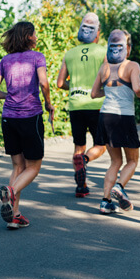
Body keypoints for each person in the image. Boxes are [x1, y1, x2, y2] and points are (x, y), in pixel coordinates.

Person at [0, 21, 54, 230]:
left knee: (18, 166)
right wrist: (49, 104)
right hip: (30, 116)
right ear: (28, 37)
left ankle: (14, 215)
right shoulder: (37, 57)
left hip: (8, 118)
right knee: (33, 167)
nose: (37, 37)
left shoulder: (5, 60)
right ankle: (11, 191)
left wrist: (11, 95)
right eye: (35, 34)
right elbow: (43, 83)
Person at [90, 30, 140, 214]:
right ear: (127, 48)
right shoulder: (132, 66)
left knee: (115, 162)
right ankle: (119, 186)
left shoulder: (104, 68)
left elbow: (94, 94)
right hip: (123, 117)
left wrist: (108, 92)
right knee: (132, 161)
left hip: (105, 116)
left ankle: (105, 201)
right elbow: (137, 88)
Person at [56, 12, 108, 198]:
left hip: (75, 105)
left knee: (79, 145)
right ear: (97, 33)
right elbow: (108, 79)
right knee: (101, 145)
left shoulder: (70, 54)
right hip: (97, 104)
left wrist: (75, 88)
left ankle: (81, 187)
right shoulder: (104, 51)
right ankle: (84, 160)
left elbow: (60, 83)